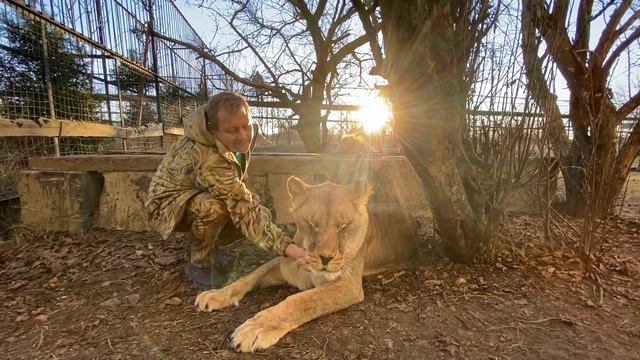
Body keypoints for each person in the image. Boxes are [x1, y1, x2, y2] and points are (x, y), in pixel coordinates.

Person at [145, 91, 306, 290]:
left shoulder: (243, 133)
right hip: (167, 205)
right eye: (232, 130)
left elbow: (236, 187)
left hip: (197, 190)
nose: (243, 135)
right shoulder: (206, 155)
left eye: (246, 126)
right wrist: (289, 248)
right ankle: (200, 264)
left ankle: (209, 245)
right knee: (216, 208)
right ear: (213, 130)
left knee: (256, 205)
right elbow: (240, 204)